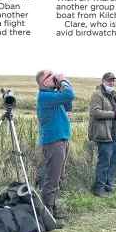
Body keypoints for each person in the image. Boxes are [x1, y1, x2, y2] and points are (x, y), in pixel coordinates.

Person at [36, 69, 75, 220]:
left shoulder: (53, 96)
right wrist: (64, 81)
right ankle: (47, 216)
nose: (55, 77)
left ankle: (54, 208)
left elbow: (69, 104)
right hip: (53, 143)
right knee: (52, 180)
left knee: (58, 178)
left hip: (61, 140)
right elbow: (69, 95)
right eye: (51, 76)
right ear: (45, 82)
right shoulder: (44, 97)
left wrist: (60, 86)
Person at [88, 72, 116, 197]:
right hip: (104, 134)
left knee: (114, 162)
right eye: (109, 81)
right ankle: (99, 188)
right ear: (103, 81)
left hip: (115, 134)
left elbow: (114, 112)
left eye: (113, 81)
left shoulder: (113, 95)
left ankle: (109, 187)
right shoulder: (97, 94)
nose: (112, 83)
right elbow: (96, 113)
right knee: (104, 162)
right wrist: (115, 115)